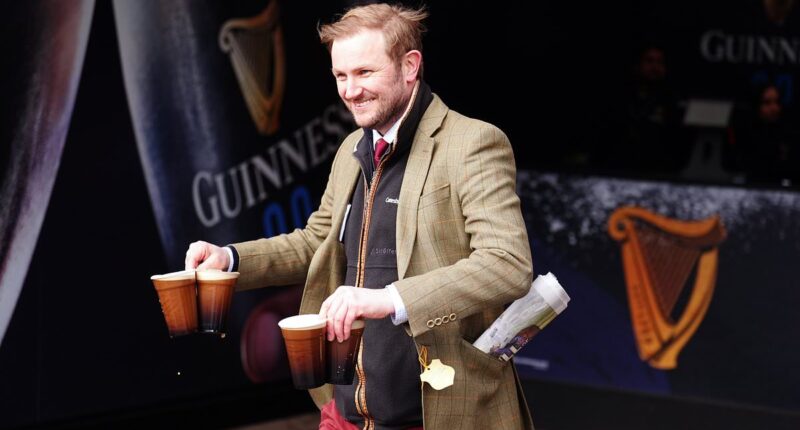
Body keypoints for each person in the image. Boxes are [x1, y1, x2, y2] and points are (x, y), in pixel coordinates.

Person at [185, 4, 534, 429]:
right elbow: (317, 242)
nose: (350, 91)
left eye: (364, 73)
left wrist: (389, 299)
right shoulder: (353, 148)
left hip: (438, 414)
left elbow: (507, 264)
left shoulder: (472, 143)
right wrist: (230, 258)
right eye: (341, 76)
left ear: (410, 67)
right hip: (347, 414)